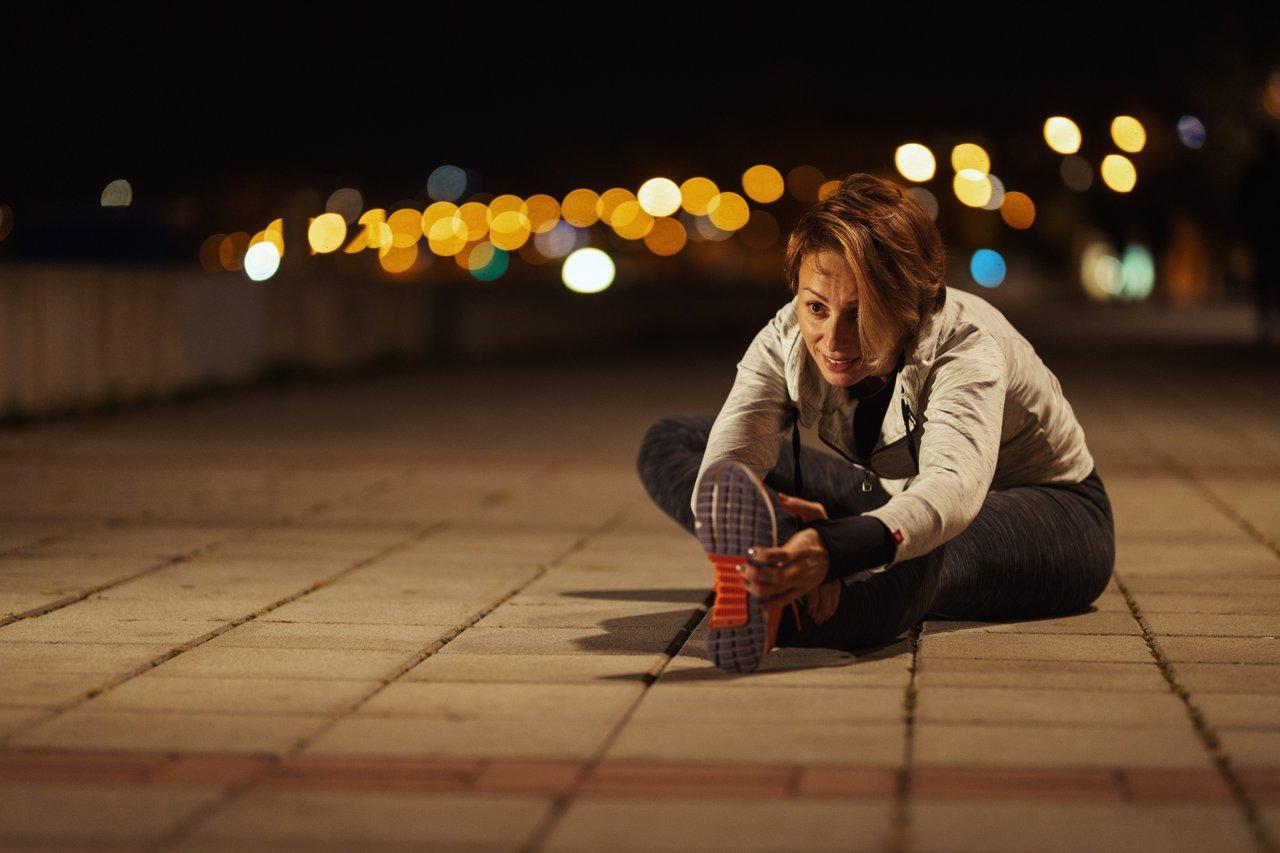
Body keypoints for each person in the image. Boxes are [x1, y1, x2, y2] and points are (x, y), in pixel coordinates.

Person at [636, 172, 1116, 672]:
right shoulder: (787, 334)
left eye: (859, 312)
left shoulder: (966, 348)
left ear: (908, 303)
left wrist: (836, 550)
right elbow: (733, 453)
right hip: (892, 492)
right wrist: (775, 530)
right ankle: (774, 566)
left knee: (922, 549)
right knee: (672, 440)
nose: (833, 339)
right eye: (816, 307)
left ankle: (797, 610)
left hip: (1054, 516)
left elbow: (951, 490)